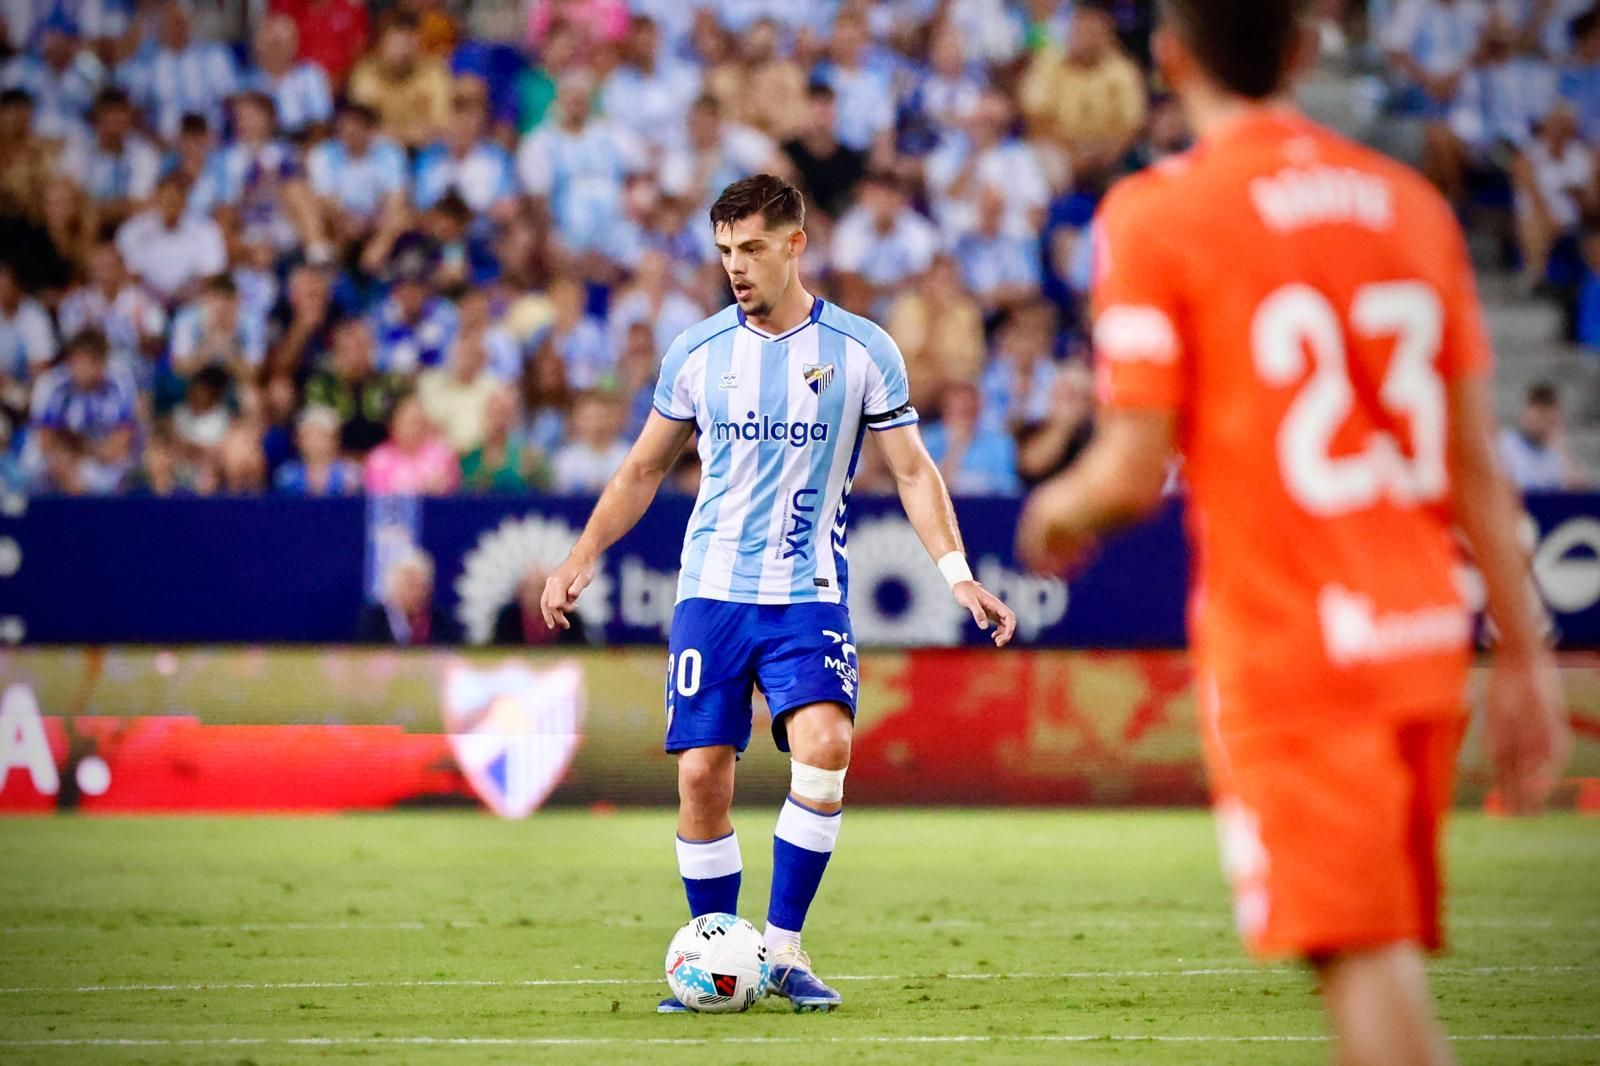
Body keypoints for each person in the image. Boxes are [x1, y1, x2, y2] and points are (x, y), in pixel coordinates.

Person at [1014, 5, 1571, 1065]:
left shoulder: (1158, 212)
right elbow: (1474, 465)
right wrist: (1526, 656)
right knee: (1379, 955)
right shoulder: (1410, 206)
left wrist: (1055, 508)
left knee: (1359, 963)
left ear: (1169, 59)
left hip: (1297, 650)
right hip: (1420, 643)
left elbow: (1131, 472)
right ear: (1305, 50)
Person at [539, 174, 1016, 1014]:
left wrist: (958, 573)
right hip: (712, 591)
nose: (736, 267)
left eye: (752, 248)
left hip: (809, 592)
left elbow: (912, 470)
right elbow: (643, 468)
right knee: (701, 776)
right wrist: (581, 555)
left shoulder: (863, 350)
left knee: (827, 747)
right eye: (725, 251)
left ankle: (785, 951)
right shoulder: (697, 352)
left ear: (796, 244)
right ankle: (717, 962)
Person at [355, 547, 457, 645]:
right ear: (392, 589)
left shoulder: (442, 623)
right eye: (407, 586)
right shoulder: (373, 622)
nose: (415, 593)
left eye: (419, 586)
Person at [1499, 382, 1585, 489]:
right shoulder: (1505, 446)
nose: (1542, 425)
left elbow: (1579, 492)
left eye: (1548, 419)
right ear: (1525, 415)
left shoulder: (1557, 453)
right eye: (1539, 418)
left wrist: (1564, 453)